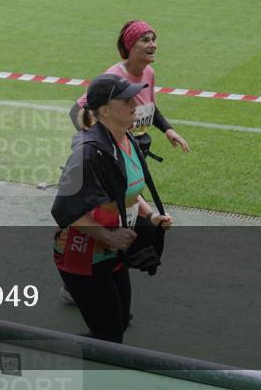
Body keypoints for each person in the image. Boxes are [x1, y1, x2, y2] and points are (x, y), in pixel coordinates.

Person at [52, 73, 173, 343]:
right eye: (126, 100)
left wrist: (150, 214)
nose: (135, 104)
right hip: (82, 254)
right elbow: (64, 210)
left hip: (113, 248)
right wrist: (108, 236)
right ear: (105, 110)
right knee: (110, 336)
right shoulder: (88, 153)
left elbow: (128, 189)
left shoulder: (127, 139)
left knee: (120, 321)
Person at [69, 20, 190, 158]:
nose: (153, 45)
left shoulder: (149, 72)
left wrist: (168, 130)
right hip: (116, 153)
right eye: (145, 40)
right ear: (130, 46)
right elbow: (76, 112)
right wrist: (100, 145)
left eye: (153, 39)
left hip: (136, 147)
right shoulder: (113, 77)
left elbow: (149, 108)